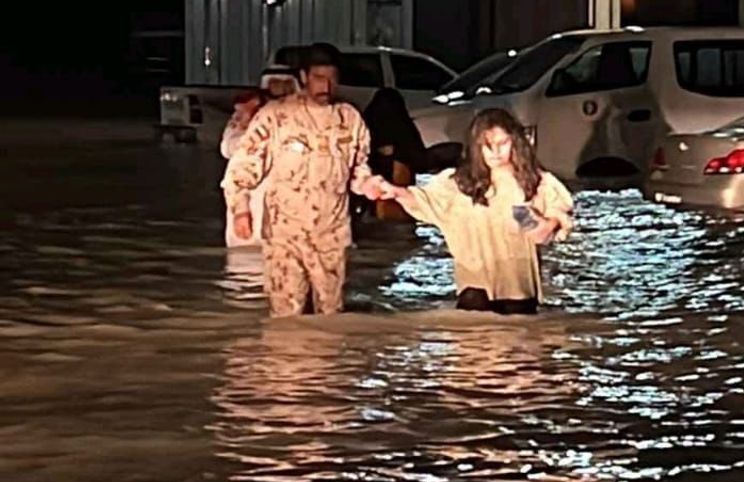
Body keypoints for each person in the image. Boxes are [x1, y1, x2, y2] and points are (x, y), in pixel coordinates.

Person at [223, 42, 382, 317]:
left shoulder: (349, 119)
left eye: (332, 78)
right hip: (286, 236)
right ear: (304, 77)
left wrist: (369, 185)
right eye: (319, 77)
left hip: (331, 237)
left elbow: (358, 168)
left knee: (330, 316)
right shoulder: (276, 116)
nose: (326, 86)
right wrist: (241, 210)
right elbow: (242, 168)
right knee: (287, 318)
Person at [375, 108, 573, 314]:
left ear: (515, 142)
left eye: (503, 143)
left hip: (519, 291)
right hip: (475, 289)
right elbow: (423, 200)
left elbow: (555, 220)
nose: (495, 152)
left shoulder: (536, 183)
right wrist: (394, 191)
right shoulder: (458, 184)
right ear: (476, 148)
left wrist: (545, 225)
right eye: (487, 145)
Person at [362, 87, 428, 222]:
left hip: (375, 200)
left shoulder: (369, 130)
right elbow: (419, 158)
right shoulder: (405, 131)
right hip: (402, 202)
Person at [220, 91, 268, 248]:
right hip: (248, 214)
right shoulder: (241, 136)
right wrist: (241, 210)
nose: (237, 117)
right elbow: (228, 149)